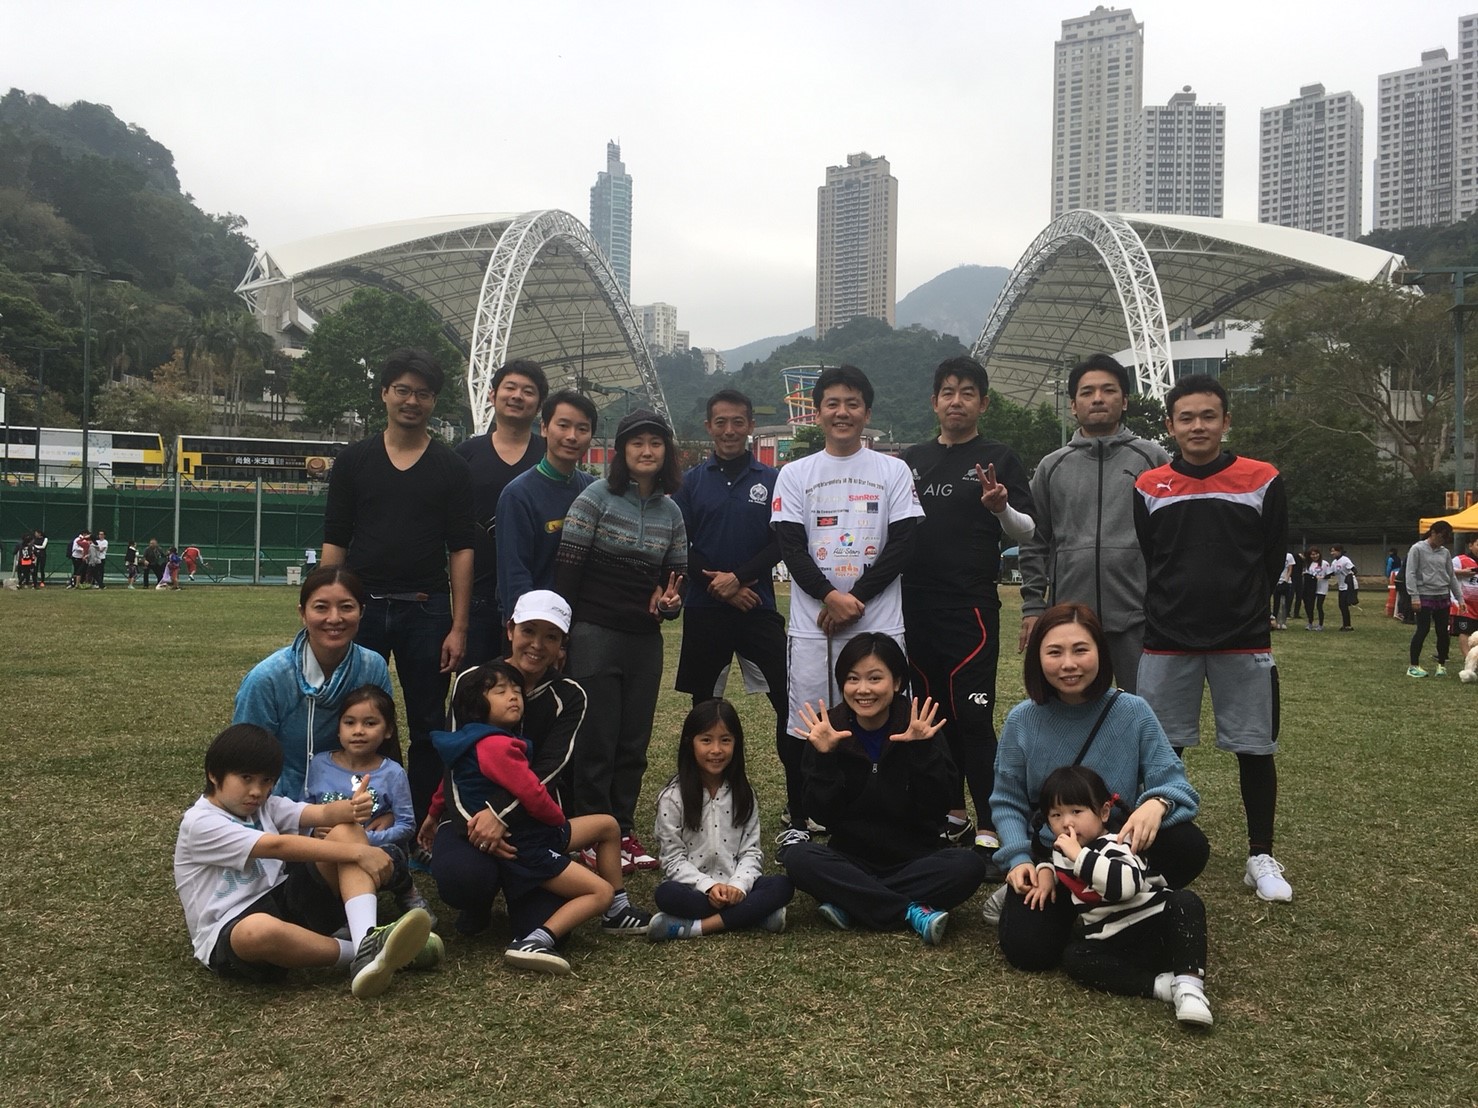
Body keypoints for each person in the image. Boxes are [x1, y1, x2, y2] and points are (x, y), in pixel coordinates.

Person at [1134, 374, 1292, 903]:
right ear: (1170, 425)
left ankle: (1260, 856)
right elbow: (1153, 556)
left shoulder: (1262, 478)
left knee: (1255, 749)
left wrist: (1242, 607)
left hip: (1242, 638)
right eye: (1186, 417)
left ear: (1226, 421)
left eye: (1208, 416)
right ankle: (1151, 852)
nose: (1197, 426)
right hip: (1167, 638)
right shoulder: (1149, 485)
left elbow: (1271, 558)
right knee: (1162, 751)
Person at [988, 603, 1206, 969]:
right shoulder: (1021, 720)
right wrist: (1019, 859)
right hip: (1055, 859)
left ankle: (1124, 902)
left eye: (1080, 650)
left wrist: (1157, 803)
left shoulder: (1133, 711)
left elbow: (1175, 784)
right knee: (1030, 952)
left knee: (1188, 844)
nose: (1068, 664)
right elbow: (1007, 801)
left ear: (1100, 653)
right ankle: (1056, 903)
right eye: (1054, 652)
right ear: (1037, 658)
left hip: (1117, 852)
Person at [322, 347, 476, 825]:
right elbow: (335, 539)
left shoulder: (452, 467)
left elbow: (462, 549)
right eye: (403, 391)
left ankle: (420, 822)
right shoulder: (353, 461)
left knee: (428, 724)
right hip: (361, 610)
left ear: (434, 402)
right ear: (385, 393)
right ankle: (361, 817)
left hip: (427, 611)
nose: (412, 401)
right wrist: (326, 607)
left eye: (423, 394)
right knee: (358, 719)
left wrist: (459, 627)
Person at [172, 723, 440, 998]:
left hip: (283, 898)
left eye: (266, 781)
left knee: (346, 831)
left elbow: (321, 814)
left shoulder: (265, 806)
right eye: (246, 778)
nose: (257, 791)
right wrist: (360, 852)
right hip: (230, 929)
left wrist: (351, 808)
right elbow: (277, 846)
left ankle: (366, 940)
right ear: (214, 774)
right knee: (258, 930)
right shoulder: (200, 823)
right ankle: (364, 953)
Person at [427, 661, 651, 974]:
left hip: (523, 835)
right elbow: (531, 791)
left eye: (517, 691)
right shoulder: (499, 746)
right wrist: (557, 820)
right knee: (600, 892)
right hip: (530, 843)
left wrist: (432, 815)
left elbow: (446, 785)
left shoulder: (468, 741)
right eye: (501, 691)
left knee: (608, 826)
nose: (513, 696)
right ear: (478, 704)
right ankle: (534, 941)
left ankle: (618, 912)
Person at [903, 355, 1034, 855]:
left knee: (972, 717)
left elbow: (1028, 529)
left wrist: (1002, 507)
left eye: (967, 393)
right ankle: (951, 814)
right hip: (914, 608)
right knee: (931, 715)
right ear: (934, 402)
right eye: (948, 392)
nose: (956, 401)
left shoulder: (999, 456)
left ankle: (992, 821)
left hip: (971, 609)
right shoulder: (910, 460)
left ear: (983, 403)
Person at [782, 632, 989, 944]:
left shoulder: (919, 725)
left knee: (968, 866)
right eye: (852, 679)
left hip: (916, 859)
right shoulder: (829, 729)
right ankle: (910, 911)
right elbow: (821, 814)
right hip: (850, 859)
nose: (863, 689)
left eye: (875, 678)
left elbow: (938, 808)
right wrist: (825, 759)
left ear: (896, 682)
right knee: (798, 857)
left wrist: (922, 752)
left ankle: (852, 901)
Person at [555, 408, 687, 872]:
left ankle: (623, 830)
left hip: (644, 641)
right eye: (637, 443)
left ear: (666, 451)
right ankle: (591, 834)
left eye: (656, 443)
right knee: (597, 739)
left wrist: (670, 602)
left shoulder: (672, 512)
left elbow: (676, 581)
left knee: (633, 742)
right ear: (621, 451)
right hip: (594, 634)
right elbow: (567, 571)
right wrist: (562, 637)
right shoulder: (595, 498)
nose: (647, 451)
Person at [673, 390, 801, 852]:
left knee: (789, 704)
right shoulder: (691, 482)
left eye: (738, 422)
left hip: (756, 607)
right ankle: (697, 806)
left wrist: (740, 578)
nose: (729, 430)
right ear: (709, 426)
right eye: (721, 422)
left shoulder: (773, 479)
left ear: (750, 426)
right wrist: (719, 586)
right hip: (705, 610)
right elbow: (681, 544)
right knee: (703, 711)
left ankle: (800, 808)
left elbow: (782, 541)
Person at [421, 590, 585, 942]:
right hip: (469, 816)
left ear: (562, 645)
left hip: (532, 822)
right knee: (463, 878)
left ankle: (519, 889)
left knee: (551, 926)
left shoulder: (570, 695)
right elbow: (454, 760)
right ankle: (478, 899)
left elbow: (549, 769)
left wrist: (500, 815)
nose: (537, 644)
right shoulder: (472, 680)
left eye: (551, 636)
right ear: (510, 630)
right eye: (529, 631)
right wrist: (474, 824)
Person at [772, 365, 923, 743]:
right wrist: (829, 596)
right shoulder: (794, 474)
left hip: (878, 622)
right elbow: (791, 547)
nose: (842, 412)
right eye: (832, 404)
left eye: (852, 404)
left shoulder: (895, 470)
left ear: (867, 413)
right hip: (814, 629)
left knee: (887, 729)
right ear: (817, 413)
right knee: (813, 732)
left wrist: (853, 599)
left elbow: (903, 544)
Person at [1019, 354, 1170, 694]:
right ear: (1073, 405)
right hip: (1070, 619)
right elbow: (1033, 539)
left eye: (1108, 390)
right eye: (1087, 392)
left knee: (1143, 707)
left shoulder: (1153, 460)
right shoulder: (1051, 467)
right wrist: (1033, 605)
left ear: (1125, 400)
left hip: (1139, 618)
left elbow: (1172, 539)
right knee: (1072, 707)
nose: (1098, 398)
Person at [1037, 765, 1212, 1028]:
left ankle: (1190, 987)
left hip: (1154, 930)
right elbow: (1059, 868)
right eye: (1056, 815)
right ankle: (1158, 986)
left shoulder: (1120, 843)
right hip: (1112, 941)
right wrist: (1044, 871)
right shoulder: (1063, 851)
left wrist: (1080, 856)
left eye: (1076, 811)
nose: (1067, 822)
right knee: (1074, 958)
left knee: (1186, 902)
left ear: (1104, 812)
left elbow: (1125, 886)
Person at [233, 566, 395, 800]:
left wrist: (383, 805)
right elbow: (245, 761)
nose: (334, 618)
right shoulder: (267, 679)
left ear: (362, 611)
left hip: (354, 801)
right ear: (302, 613)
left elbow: (382, 749)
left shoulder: (373, 667)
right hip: (279, 802)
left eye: (346, 607)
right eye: (321, 607)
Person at [648, 698, 795, 942]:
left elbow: (751, 852)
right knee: (667, 894)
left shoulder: (744, 794)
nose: (716, 750)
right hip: (695, 891)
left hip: (740, 890)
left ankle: (696, 927)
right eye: (706, 740)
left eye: (725, 740)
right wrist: (708, 886)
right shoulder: (672, 797)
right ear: (690, 743)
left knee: (782, 885)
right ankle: (754, 915)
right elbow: (672, 859)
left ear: (736, 743)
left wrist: (738, 885)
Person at [455, 359, 549, 666]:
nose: (517, 396)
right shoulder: (466, 454)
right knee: (476, 684)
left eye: (528, 391)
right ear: (493, 395)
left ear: (539, 405)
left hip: (535, 596)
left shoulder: (549, 455)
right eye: (510, 388)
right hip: (477, 596)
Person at [495, 389, 598, 608]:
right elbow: (514, 575)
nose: (572, 436)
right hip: (535, 620)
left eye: (582, 429)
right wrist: (528, 622)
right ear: (544, 428)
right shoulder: (518, 495)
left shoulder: (594, 491)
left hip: (583, 619)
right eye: (563, 425)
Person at [1405, 520, 1463, 678]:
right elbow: (1410, 573)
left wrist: (1460, 598)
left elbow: (1451, 576)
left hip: (1443, 595)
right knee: (1422, 630)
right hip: (1424, 595)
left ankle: (1441, 665)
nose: (1443, 541)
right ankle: (1413, 666)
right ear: (1433, 533)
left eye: (1446, 538)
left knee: (1443, 632)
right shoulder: (1417, 549)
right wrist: (1414, 596)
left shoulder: (1445, 552)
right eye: (1441, 536)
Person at [1451, 536, 1478, 657]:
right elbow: (1445, 571)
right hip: (1465, 604)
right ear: (1470, 546)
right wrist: (1462, 572)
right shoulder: (1460, 560)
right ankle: (1469, 660)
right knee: (1465, 631)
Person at [1328, 544, 1357, 632]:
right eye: (1331, 551)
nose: (1332, 553)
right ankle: (1345, 624)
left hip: (1348, 586)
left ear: (1339, 551)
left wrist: (1349, 576)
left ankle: (1348, 626)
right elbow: (1332, 573)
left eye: (1333, 551)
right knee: (1341, 606)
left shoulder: (1345, 560)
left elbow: (1354, 570)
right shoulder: (1334, 562)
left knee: (1344, 605)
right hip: (1341, 586)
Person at [1302, 547, 1328, 631]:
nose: (1315, 556)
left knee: (1319, 606)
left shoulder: (1324, 563)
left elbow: (1330, 574)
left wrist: (1322, 577)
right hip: (1311, 588)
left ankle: (1320, 624)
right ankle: (1310, 622)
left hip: (1322, 587)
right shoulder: (1308, 564)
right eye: (1312, 554)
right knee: (1309, 605)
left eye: (1316, 554)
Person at [1271, 550, 1296, 631]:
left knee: (1285, 603)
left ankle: (1283, 622)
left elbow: (1290, 569)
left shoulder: (1289, 556)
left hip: (1286, 582)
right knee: (1276, 603)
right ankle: (1276, 622)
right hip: (1277, 583)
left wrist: (1286, 580)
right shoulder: (1274, 555)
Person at [1384, 547, 1402, 618]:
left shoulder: (1390, 559)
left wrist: (1387, 575)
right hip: (1399, 573)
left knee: (1392, 589)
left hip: (1393, 573)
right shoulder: (1399, 558)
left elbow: (1389, 567)